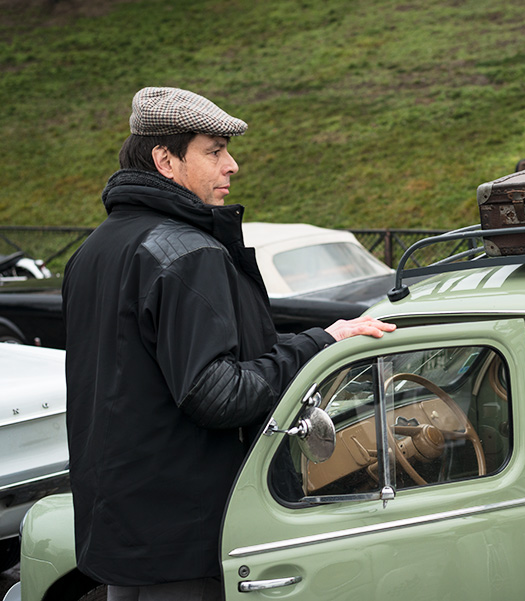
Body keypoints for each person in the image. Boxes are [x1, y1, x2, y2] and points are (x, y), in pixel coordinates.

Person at [62, 87, 395, 600]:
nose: (232, 165)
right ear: (165, 160)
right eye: (214, 151)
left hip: (122, 530)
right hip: (187, 535)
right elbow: (217, 394)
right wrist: (317, 343)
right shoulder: (188, 252)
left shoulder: (94, 250)